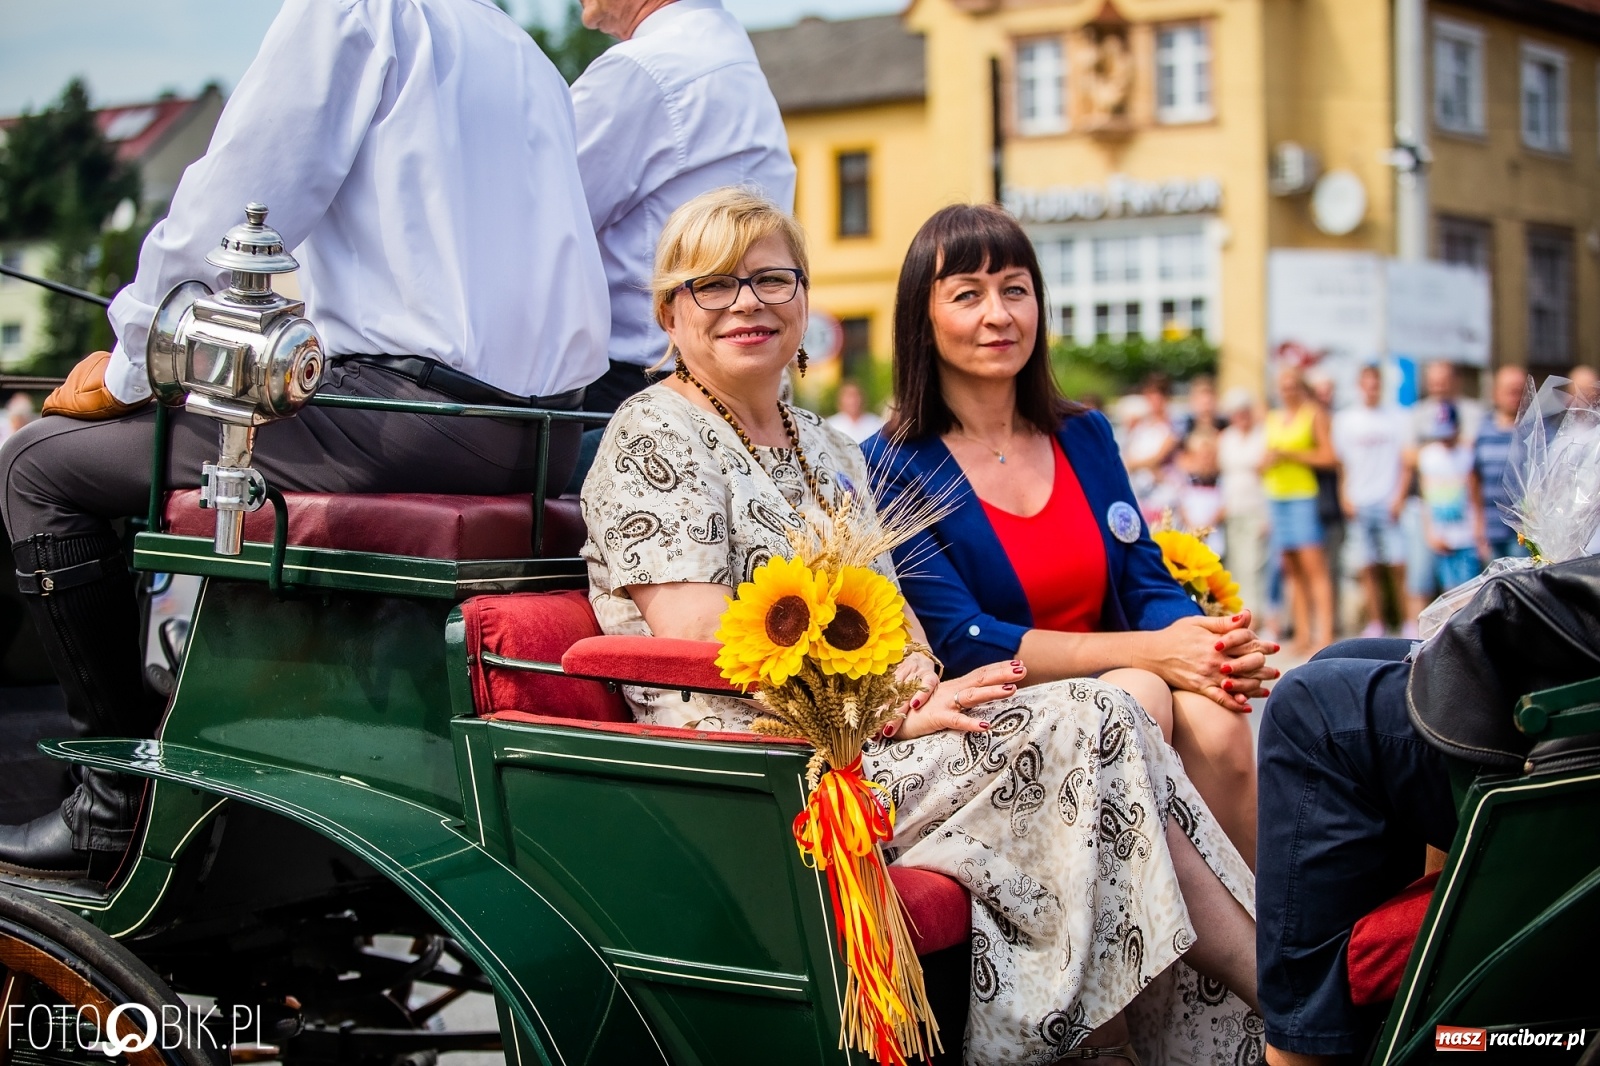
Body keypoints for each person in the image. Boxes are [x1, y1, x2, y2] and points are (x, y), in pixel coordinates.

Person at [581, 187, 1260, 1064]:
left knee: (1109, 715)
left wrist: (922, 690)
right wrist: (896, 713)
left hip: (872, 743)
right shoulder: (653, 435)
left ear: (804, 300)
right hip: (760, 766)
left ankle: (1205, 1024)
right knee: (1095, 718)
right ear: (670, 312)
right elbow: (705, 644)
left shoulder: (824, 444)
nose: (748, 303)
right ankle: (1257, 1008)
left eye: (772, 280)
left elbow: (896, 621)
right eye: (714, 284)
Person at [0, 0, 609, 879]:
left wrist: (133, 364)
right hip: (536, 434)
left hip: (405, 421)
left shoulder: (359, 10)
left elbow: (234, 206)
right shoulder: (526, 56)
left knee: (35, 466)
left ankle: (111, 803)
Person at [862, 203, 1276, 867]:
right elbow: (962, 636)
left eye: (1015, 290)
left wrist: (1207, 646)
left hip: (1127, 674)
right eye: (967, 295)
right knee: (1140, 696)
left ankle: (1252, 924)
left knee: (1219, 716)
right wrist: (1155, 654)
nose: (999, 314)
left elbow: (1141, 578)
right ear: (922, 318)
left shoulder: (1084, 434)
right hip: (998, 709)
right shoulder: (890, 465)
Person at [570, 0, 795, 414]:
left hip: (640, 386)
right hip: (730, 380)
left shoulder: (642, 70)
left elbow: (535, 225)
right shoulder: (727, 55)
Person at [1398, 361, 1483, 633]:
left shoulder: (1473, 411)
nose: (1438, 386)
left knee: (1463, 587)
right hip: (1430, 514)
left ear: (1455, 380)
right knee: (1421, 577)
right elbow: (1408, 456)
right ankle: (1419, 634)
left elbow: (1473, 455)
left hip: (1461, 522)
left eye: (1443, 380)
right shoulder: (1419, 413)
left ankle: (1461, 634)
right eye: (1433, 381)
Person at [1333, 364, 1409, 637]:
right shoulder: (1345, 420)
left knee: (1398, 563)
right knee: (1366, 565)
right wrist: (1344, 494)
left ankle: (1405, 620)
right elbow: (1342, 464)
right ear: (1359, 386)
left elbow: (1406, 462)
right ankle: (1376, 622)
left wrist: (1399, 496)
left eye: (1375, 384)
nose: (1371, 389)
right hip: (1359, 499)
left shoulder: (1397, 417)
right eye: (1366, 384)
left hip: (1388, 500)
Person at [1264, 366, 1336, 653]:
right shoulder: (1273, 418)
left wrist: (1291, 454)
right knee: (1291, 570)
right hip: (1276, 495)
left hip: (1303, 496)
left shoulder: (1313, 414)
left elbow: (1329, 456)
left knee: (1314, 568)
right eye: (1283, 385)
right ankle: (1303, 633)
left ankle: (1325, 633)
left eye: (1292, 385)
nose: (1287, 391)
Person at [1219, 387, 1270, 628]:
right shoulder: (1226, 438)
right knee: (1236, 565)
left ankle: (1256, 615)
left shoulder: (1262, 436)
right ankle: (1240, 613)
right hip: (1232, 507)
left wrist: (1267, 515)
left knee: (1253, 565)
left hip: (1255, 507)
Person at [1417, 402, 1479, 593]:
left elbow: (1475, 495)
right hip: (1440, 534)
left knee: (1469, 589)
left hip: (1466, 535)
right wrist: (1430, 532)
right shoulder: (1428, 456)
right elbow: (1426, 498)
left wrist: (1478, 530)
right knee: (1448, 590)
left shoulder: (1467, 455)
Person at [1471, 365, 1530, 562]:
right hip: (1490, 529)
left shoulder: (1538, 432)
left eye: (1519, 391)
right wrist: (1478, 524)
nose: (1515, 396)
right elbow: (1473, 479)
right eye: (1509, 391)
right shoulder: (1481, 431)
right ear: (1496, 393)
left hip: (1523, 532)